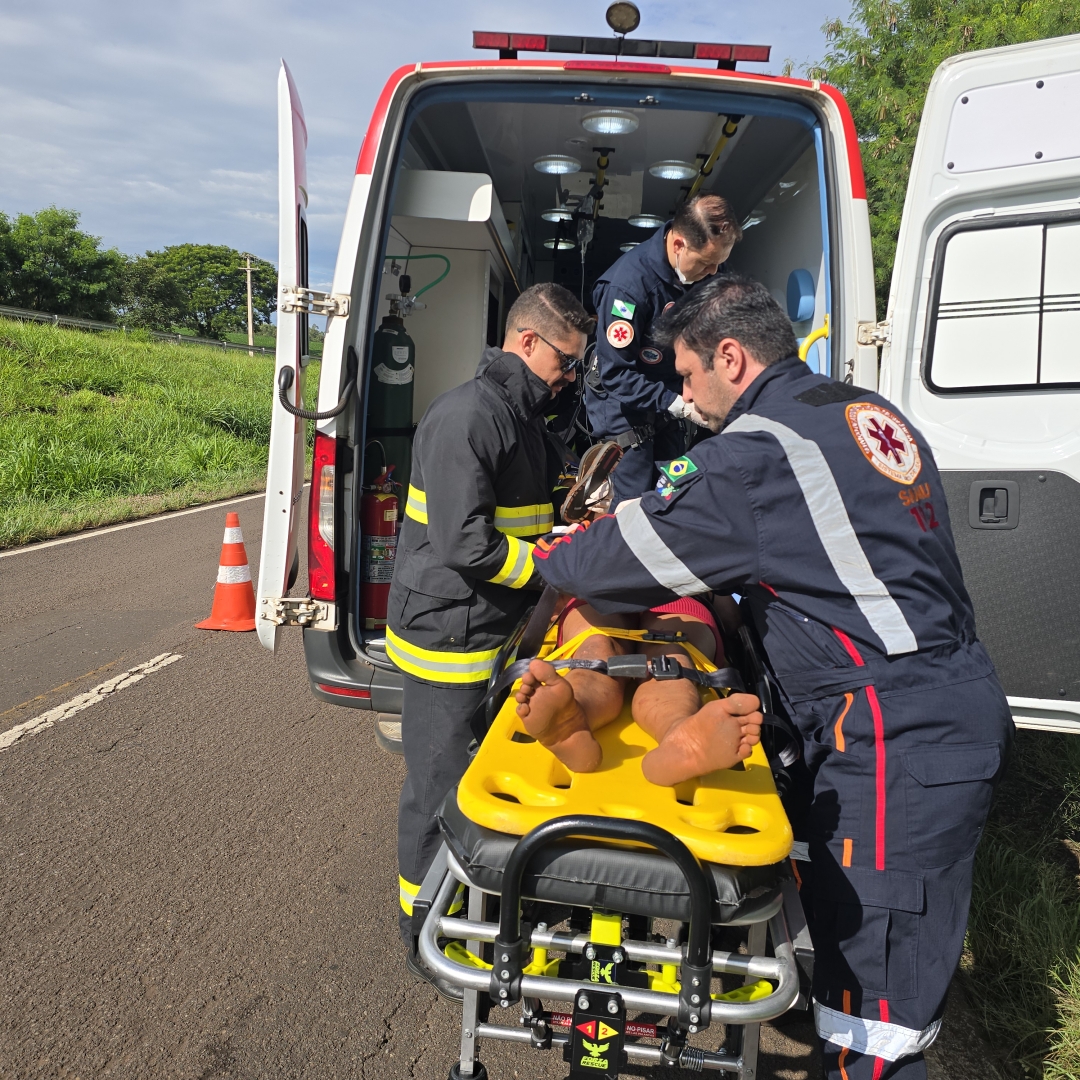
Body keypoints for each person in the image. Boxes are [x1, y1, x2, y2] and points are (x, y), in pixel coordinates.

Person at [533, 275, 1014, 1080]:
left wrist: (557, 555)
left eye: (687, 376)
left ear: (731, 355)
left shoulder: (755, 453)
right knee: (863, 963)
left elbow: (613, 567)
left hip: (895, 738)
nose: (686, 399)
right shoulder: (866, 414)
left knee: (876, 1021)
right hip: (937, 696)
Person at [386, 282, 592, 999]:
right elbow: (467, 543)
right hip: (448, 637)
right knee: (439, 787)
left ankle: (474, 911)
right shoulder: (469, 416)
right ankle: (421, 929)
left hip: (490, 631)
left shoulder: (525, 420)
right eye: (563, 362)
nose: (567, 377)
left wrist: (564, 539)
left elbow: (529, 521)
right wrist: (551, 566)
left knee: (483, 784)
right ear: (526, 342)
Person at [587, 192, 741, 507]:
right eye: (707, 263)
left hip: (671, 394)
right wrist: (679, 404)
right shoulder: (627, 287)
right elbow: (615, 374)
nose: (714, 273)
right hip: (624, 402)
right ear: (678, 244)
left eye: (719, 264)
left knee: (672, 489)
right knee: (631, 499)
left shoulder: (709, 273)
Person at [514, 597, 763, 784]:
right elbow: (730, 618)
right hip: (679, 595)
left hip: (599, 592)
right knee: (670, 657)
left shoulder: (587, 536)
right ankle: (677, 729)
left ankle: (579, 709)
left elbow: (555, 593)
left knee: (596, 647)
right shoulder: (701, 534)